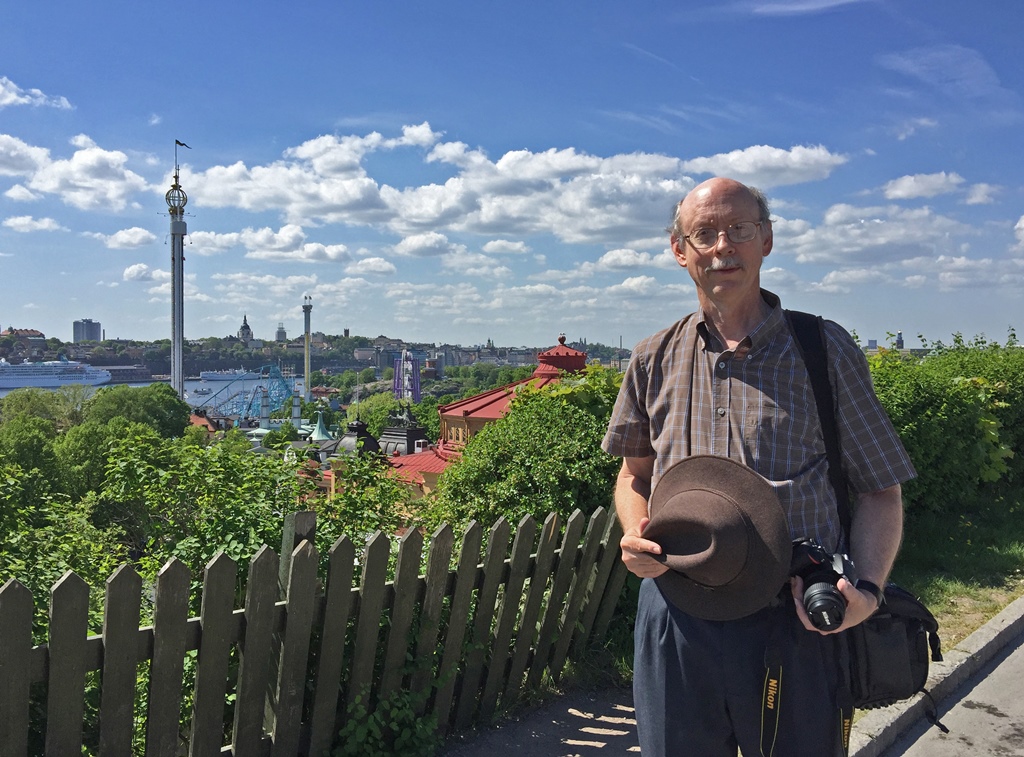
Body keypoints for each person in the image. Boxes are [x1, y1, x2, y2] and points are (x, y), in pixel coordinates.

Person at [601, 177, 916, 756]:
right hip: (678, 613)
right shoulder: (651, 357)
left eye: (739, 230)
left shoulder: (823, 350)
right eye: (704, 234)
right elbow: (634, 476)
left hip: (794, 615)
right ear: (680, 252)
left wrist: (866, 593)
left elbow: (879, 489)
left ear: (766, 240)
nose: (723, 247)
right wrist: (634, 532)